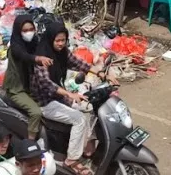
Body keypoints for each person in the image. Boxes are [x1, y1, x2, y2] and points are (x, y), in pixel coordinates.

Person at [31, 21, 117, 175]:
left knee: (90, 107)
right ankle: (71, 159)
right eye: (57, 40)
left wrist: (101, 73)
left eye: (63, 40)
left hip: (58, 97)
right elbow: (46, 83)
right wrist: (69, 94)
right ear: (50, 39)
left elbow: (79, 63)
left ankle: (87, 148)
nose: (60, 43)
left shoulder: (62, 52)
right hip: (45, 102)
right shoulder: (41, 59)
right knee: (78, 119)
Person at [1, 15, 52, 140]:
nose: (29, 33)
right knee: (36, 112)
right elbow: (24, 56)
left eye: (31, 29)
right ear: (19, 31)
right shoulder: (15, 46)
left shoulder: (34, 43)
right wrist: (38, 59)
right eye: (25, 31)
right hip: (17, 89)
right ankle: (30, 142)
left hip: (32, 87)